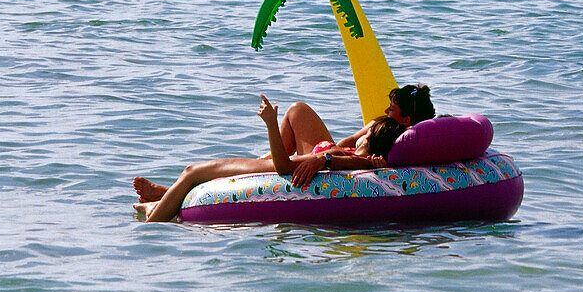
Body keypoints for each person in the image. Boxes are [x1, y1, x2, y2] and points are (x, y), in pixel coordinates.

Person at [133, 95, 408, 222]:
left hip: (273, 169)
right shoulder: (354, 153)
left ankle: (153, 213)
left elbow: (283, 166)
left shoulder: (351, 159)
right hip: (309, 155)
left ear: (370, 144)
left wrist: (269, 123)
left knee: (193, 171)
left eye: (368, 133)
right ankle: (167, 194)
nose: (363, 132)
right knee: (297, 109)